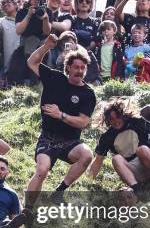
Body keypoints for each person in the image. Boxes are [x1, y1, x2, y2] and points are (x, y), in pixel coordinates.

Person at [25, 35, 96, 205]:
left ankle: (59, 191)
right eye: (76, 67)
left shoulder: (88, 94)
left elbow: (83, 122)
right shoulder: (54, 78)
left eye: (83, 68)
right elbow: (32, 62)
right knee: (42, 171)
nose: (80, 71)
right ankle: (26, 209)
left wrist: (61, 115)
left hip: (70, 141)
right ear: (68, 68)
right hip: (48, 137)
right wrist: (46, 47)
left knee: (87, 154)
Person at [90, 98, 150, 192]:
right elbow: (98, 160)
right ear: (107, 120)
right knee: (116, 158)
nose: (116, 121)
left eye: (117, 117)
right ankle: (137, 189)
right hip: (132, 170)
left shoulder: (135, 121)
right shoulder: (107, 136)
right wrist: (88, 181)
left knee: (141, 149)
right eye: (111, 119)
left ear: (122, 115)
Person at [8, 0, 53, 85]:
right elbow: (19, 30)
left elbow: (47, 32)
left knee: (40, 79)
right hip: (24, 48)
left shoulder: (48, 12)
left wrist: (45, 18)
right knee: (17, 76)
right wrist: (28, 15)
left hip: (41, 49)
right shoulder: (22, 11)